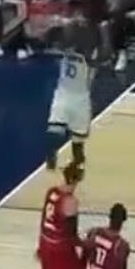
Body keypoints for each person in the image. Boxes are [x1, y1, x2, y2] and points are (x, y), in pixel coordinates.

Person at [45, 24, 94, 170]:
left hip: (77, 97)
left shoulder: (82, 54)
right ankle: (51, 155)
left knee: (77, 140)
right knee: (55, 131)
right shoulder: (69, 50)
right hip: (67, 95)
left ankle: (75, 163)